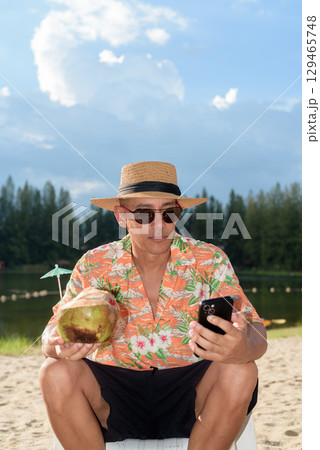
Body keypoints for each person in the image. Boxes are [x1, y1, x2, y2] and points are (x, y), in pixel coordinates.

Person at [39, 161, 267, 450]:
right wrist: (55, 345)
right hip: (112, 399)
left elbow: (256, 331)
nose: (159, 226)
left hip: (192, 394)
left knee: (242, 369)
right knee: (53, 371)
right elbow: (50, 334)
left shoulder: (210, 259)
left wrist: (243, 347)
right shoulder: (94, 263)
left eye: (169, 213)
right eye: (144, 214)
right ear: (121, 216)